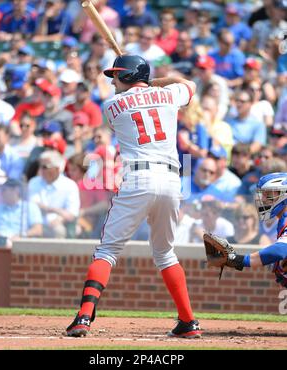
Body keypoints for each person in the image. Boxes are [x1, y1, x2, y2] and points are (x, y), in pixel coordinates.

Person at [66, 54, 202, 338]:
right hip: (171, 180)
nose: (113, 80)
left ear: (128, 77)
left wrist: (147, 84)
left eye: (117, 75)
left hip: (137, 178)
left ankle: (83, 317)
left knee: (107, 251)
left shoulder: (112, 105)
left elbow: (133, 101)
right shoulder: (169, 94)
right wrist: (155, 83)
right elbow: (189, 84)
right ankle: (188, 321)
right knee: (165, 253)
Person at [213, 172, 287, 289]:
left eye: (268, 194)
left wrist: (239, 260)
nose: (263, 200)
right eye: (262, 195)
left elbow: (279, 250)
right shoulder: (282, 220)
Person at [28, 150, 80, 238]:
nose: (40, 170)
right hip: (35, 223)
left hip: (59, 225)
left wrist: (59, 220)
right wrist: (57, 210)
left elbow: (72, 214)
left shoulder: (70, 185)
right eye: (40, 166)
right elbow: (33, 205)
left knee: (58, 230)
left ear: (57, 168)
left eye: (45, 167)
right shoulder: (34, 182)